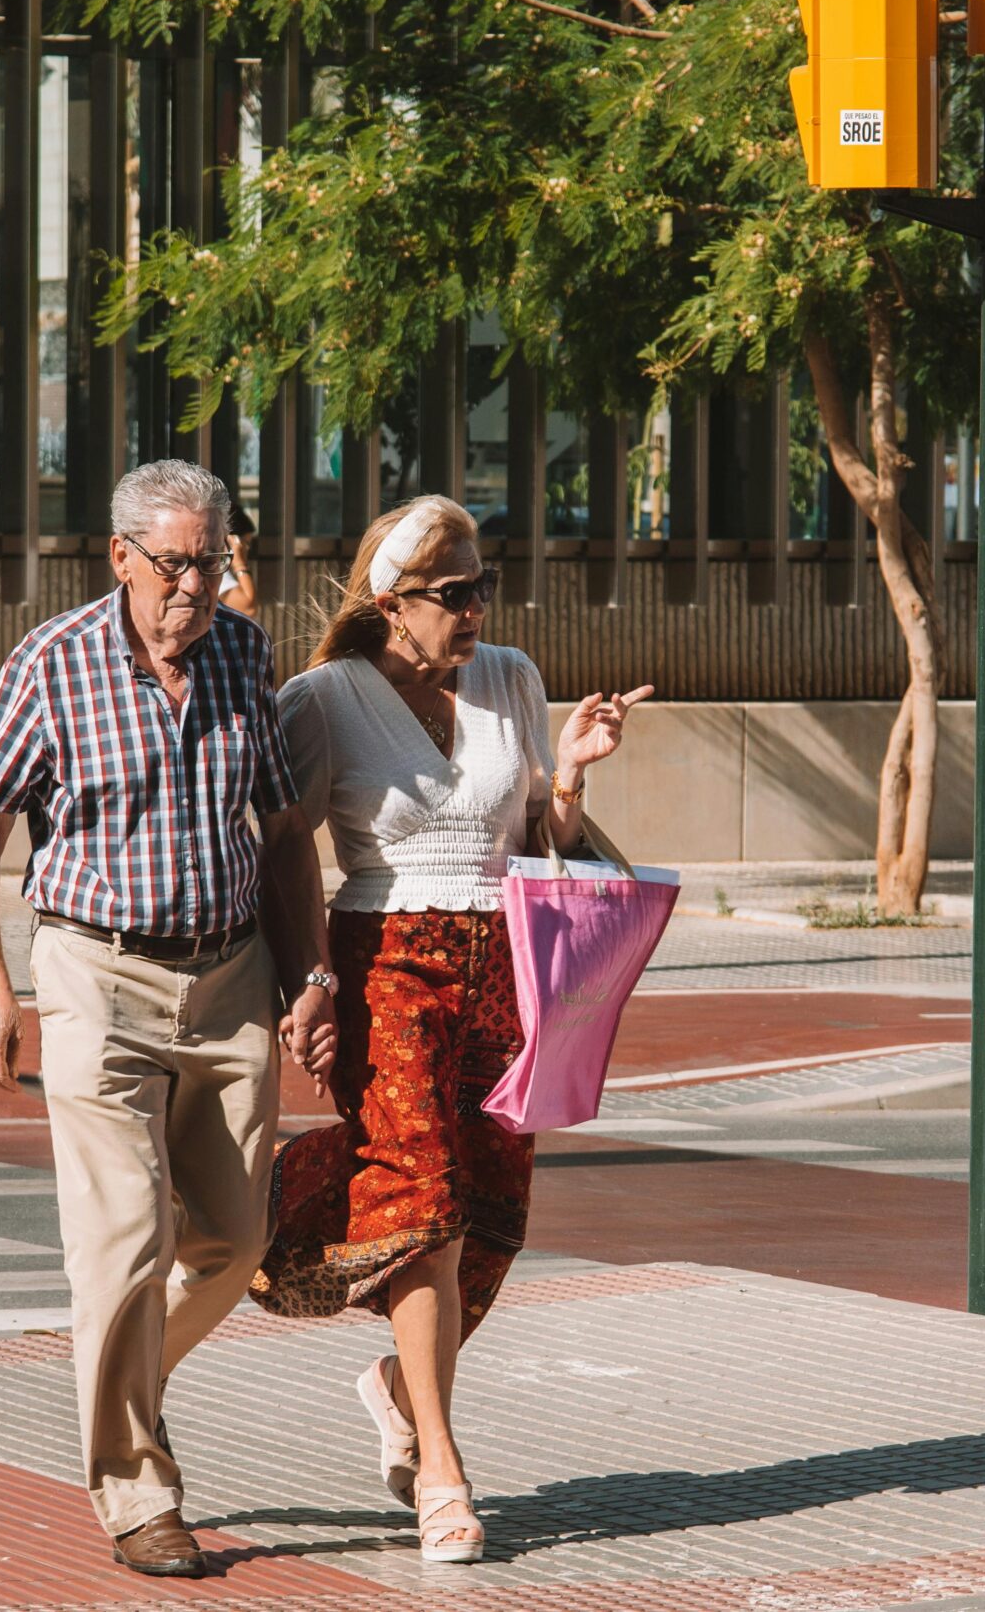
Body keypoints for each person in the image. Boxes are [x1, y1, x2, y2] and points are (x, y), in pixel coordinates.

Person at [0, 459, 336, 1580]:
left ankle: (114, 1382)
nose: (198, 587)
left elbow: (277, 830)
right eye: (177, 565)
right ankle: (136, 1493)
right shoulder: (51, 663)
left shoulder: (242, 654)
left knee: (234, 1240)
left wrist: (310, 973)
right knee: (122, 1249)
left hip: (229, 984)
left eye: (214, 563)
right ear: (121, 557)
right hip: (92, 976)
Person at [251, 494, 649, 1566]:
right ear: (391, 601)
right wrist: (306, 985)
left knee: (493, 1215)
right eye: (454, 592)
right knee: (421, 1201)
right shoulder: (319, 700)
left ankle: (392, 1388)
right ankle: (441, 1465)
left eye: (484, 586)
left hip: (502, 967)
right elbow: (287, 853)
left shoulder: (511, 678)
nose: (478, 608)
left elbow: (538, 834)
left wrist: (570, 769)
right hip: (384, 965)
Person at [220, 504, 262, 620]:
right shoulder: (215, 568)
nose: (247, 548)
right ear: (233, 540)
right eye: (246, 542)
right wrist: (239, 563)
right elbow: (248, 608)